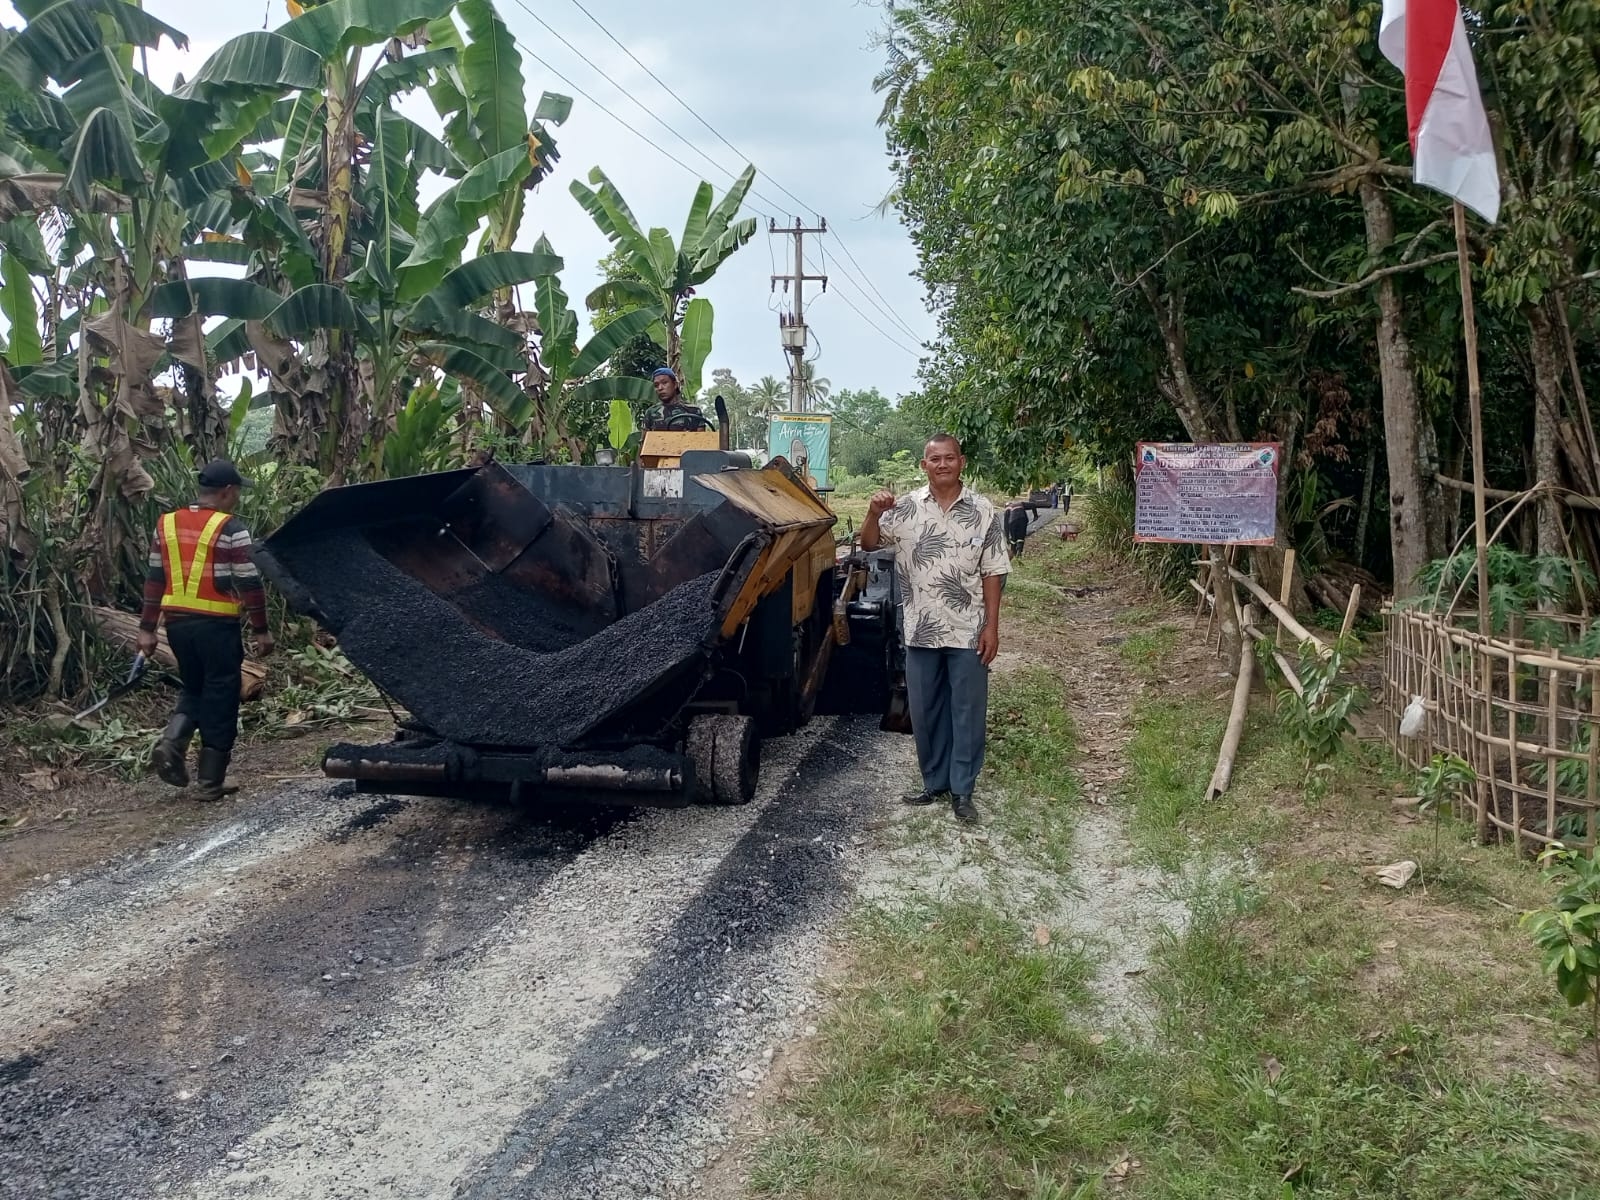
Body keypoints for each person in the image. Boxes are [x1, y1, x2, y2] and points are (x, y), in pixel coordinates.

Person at [860, 433, 1010, 824]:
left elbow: (994, 571)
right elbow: (869, 543)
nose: (942, 464)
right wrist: (873, 512)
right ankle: (934, 783)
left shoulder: (983, 509)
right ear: (924, 465)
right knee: (925, 710)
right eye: (935, 459)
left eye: (949, 458)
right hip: (921, 628)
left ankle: (962, 790)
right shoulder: (905, 507)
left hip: (968, 629)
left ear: (962, 462)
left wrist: (992, 627)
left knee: (967, 710)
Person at [137, 459, 275, 801]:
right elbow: (249, 582)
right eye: (238, 491)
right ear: (227, 491)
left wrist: (147, 629)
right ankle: (211, 781)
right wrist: (261, 630)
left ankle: (172, 742)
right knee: (222, 695)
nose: (238, 497)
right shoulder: (231, 528)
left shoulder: (166, 524)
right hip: (217, 626)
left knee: (195, 687)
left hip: (177, 627)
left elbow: (154, 580)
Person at [641, 367, 713, 432]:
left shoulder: (693, 410)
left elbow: (701, 439)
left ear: (675, 385)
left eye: (664, 383)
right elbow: (645, 440)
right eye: (656, 385)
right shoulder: (651, 413)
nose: (660, 388)